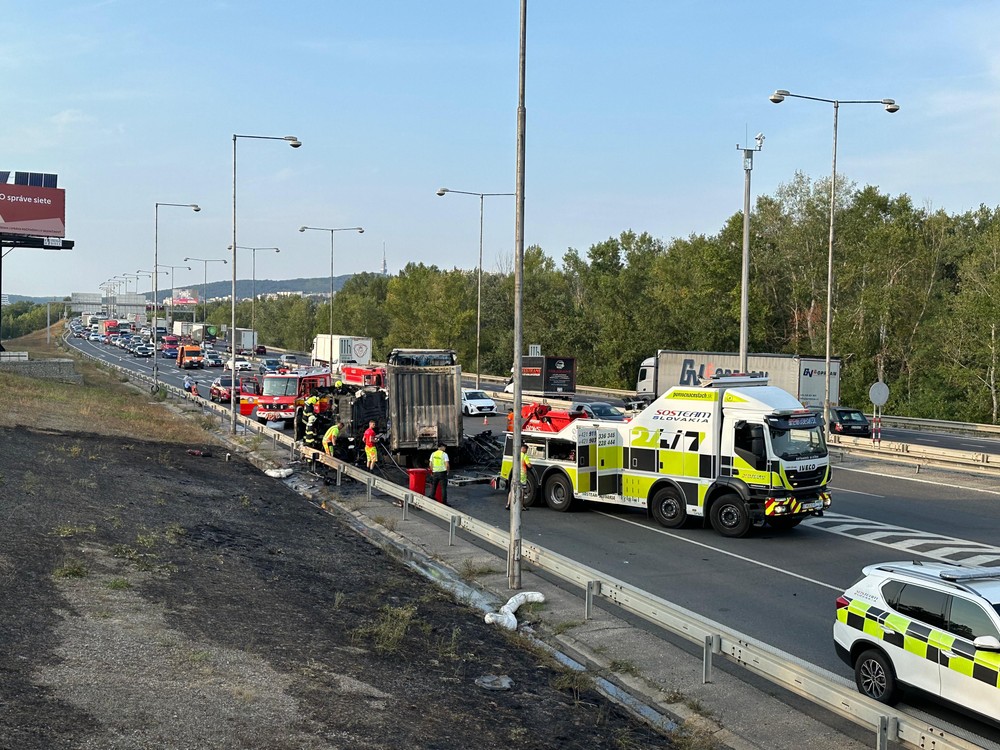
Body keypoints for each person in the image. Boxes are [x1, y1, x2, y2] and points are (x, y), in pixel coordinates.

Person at [506, 443, 532, 511]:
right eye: (526, 449)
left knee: (512, 490)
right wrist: (530, 465)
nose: (526, 451)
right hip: (522, 475)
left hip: (515, 474)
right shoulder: (525, 456)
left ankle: (508, 504)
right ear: (524, 449)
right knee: (522, 491)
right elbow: (529, 465)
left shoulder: (516, 454)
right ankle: (522, 506)